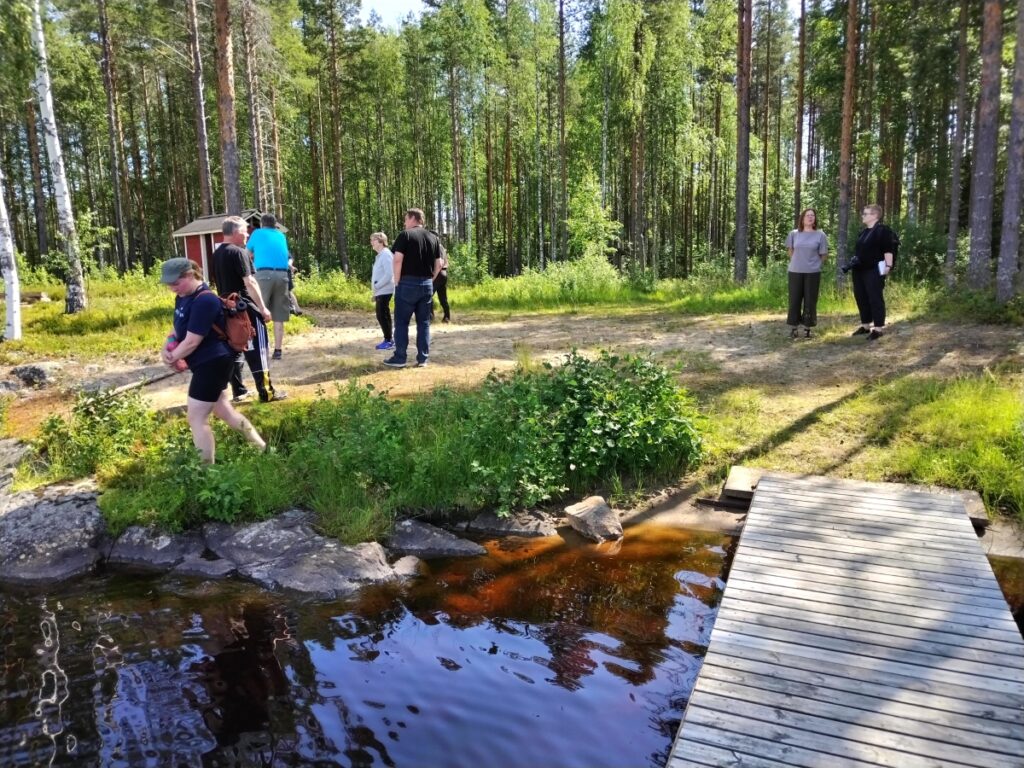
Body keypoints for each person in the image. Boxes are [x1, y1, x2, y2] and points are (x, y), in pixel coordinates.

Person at [159, 257, 266, 463]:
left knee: (197, 418)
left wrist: (173, 357)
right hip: (205, 364)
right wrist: (168, 345)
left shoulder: (205, 300)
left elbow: (192, 341)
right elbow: (178, 329)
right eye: (169, 284)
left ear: (190, 275)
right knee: (224, 410)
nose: (172, 287)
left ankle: (207, 472)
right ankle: (262, 448)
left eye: (175, 282)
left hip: (213, 364)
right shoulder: (183, 296)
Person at [212, 215, 286, 403]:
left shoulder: (218, 253)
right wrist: (263, 308)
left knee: (235, 348)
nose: (247, 235)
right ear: (236, 232)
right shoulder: (239, 252)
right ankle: (266, 392)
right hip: (245, 308)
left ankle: (239, 391)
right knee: (259, 349)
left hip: (226, 308)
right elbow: (250, 282)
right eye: (245, 231)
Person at [382, 208, 442, 368]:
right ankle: (423, 359)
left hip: (407, 283)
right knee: (424, 323)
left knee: (401, 322)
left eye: (405, 219)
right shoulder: (433, 237)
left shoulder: (405, 235)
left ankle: (400, 358)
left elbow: (397, 260)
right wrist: (430, 279)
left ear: (412, 218)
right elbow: (439, 264)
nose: (404, 222)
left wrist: (397, 281)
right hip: (426, 285)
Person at [849, 203, 897, 341]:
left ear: (875, 215)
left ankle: (878, 328)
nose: (862, 216)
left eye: (865, 214)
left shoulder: (883, 231)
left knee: (874, 297)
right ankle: (865, 326)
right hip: (859, 270)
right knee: (861, 297)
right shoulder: (864, 232)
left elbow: (888, 250)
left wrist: (888, 266)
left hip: (874, 270)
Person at [246, 213, 291, 360]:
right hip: (283, 275)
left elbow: (246, 254)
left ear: (262, 224)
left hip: (264, 274)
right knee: (279, 316)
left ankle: (259, 348)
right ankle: (278, 351)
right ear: (275, 224)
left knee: (258, 311)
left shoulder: (257, 233)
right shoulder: (281, 236)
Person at [785, 208, 828, 339]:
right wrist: (797, 262)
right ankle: (794, 327)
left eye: (812, 215)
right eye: (807, 215)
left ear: (815, 219)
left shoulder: (820, 235)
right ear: (802, 218)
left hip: (813, 272)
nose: (810, 217)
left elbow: (823, 254)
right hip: (795, 271)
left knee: (810, 300)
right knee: (794, 299)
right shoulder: (794, 234)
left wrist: (815, 265)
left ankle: (807, 328)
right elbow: (790, 250)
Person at [370, 232, 395, 350]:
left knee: (382, 315)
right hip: (381, 291)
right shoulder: (381, 255)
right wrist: (375, 292)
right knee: (381, 315)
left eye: (373, 240)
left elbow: (389, 274)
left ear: (380, 241)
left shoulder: (386, 254)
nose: (371, 243)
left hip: (385, 290)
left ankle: (389, 340)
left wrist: (377, 286)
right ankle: (389, 339)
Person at [430, 232, 451, 323]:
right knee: (442, 297)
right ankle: (446, 317)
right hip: (443, 274)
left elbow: (440, 263)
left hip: (439, 273)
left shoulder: (438, 247)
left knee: (428, 295)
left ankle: (430, 316)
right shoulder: (440, 247)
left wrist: (433, 277)